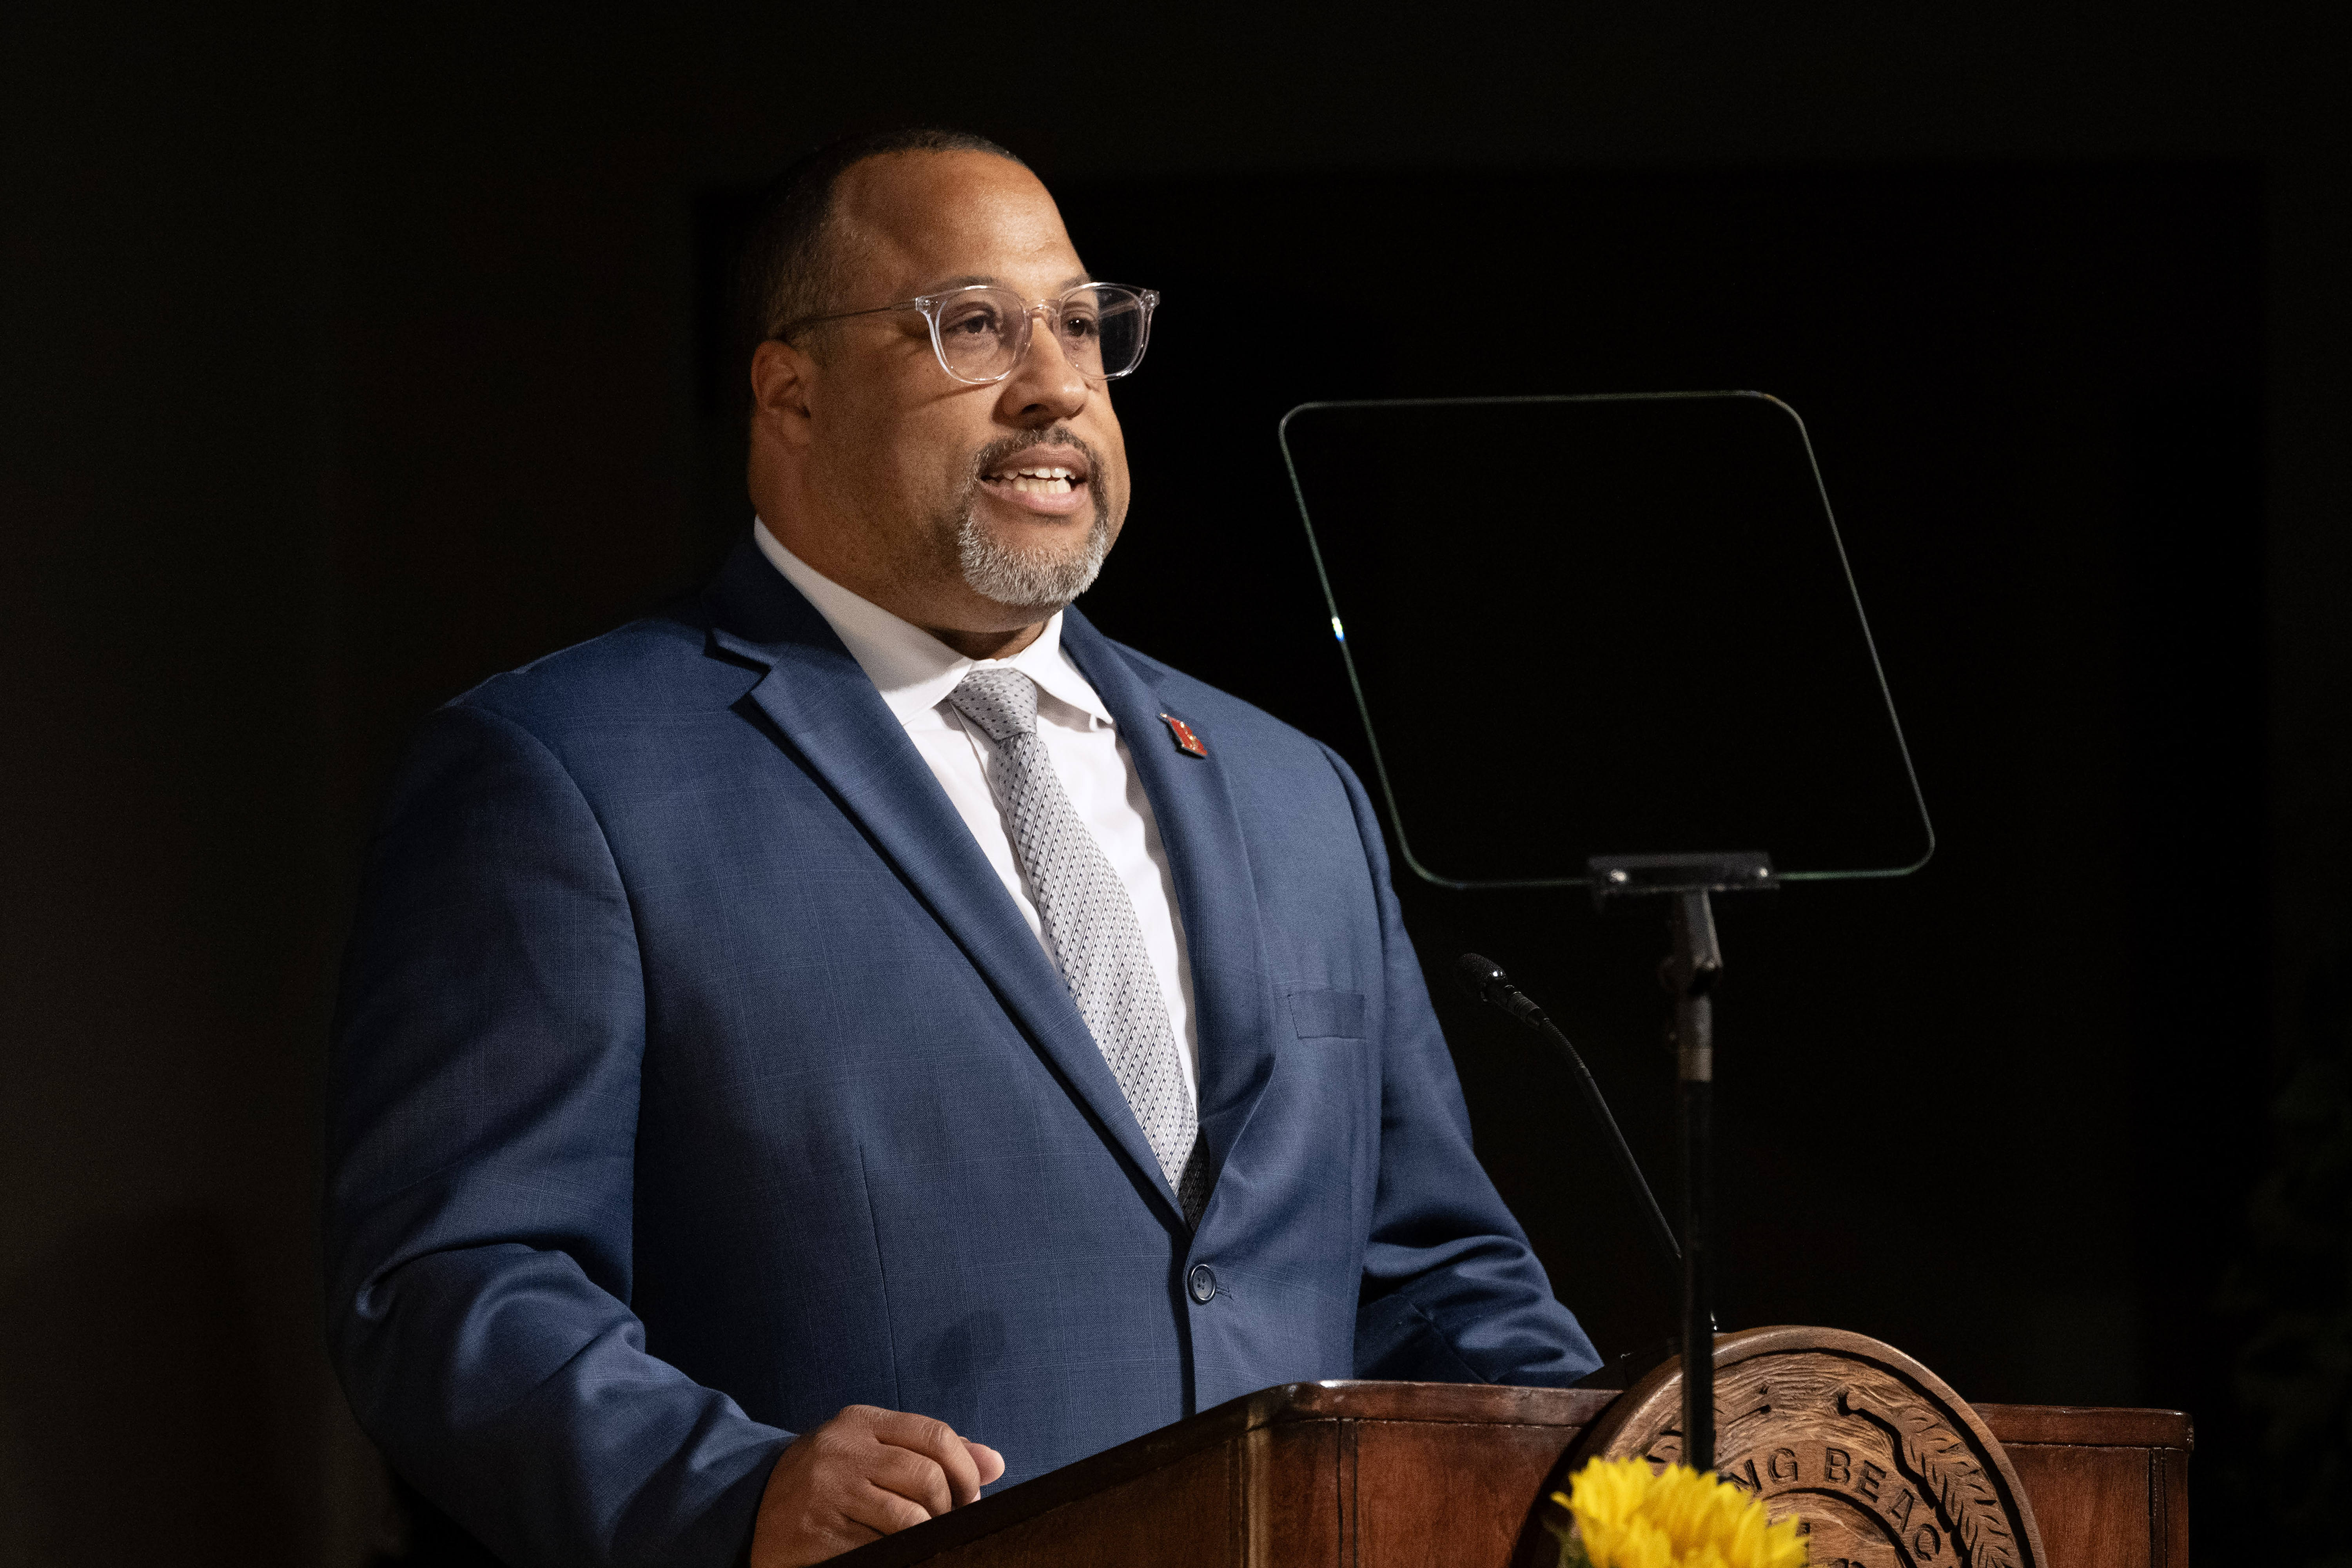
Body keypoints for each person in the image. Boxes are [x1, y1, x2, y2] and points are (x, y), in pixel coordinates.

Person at [325, 127, 1599, 1568]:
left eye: (1079, 324)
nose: (1057, 385)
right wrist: (730, 1489)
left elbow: (1433, 1279)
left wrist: (1634, 1500)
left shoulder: (1291, 789)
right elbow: (453, 1281)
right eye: (974, 327)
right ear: (789, 392)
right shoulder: (567, 772)